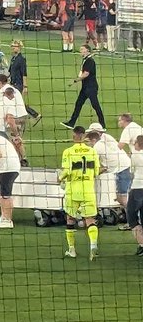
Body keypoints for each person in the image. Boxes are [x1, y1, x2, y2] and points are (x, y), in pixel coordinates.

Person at [58, 126, 101, 260]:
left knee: (70, 218)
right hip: (88, 190)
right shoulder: (92, 151)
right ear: (84, 136)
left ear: (74, 135)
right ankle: (93, 245)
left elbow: (67, 170)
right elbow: (96, 171)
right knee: (90, 220)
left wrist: (59, 178)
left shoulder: (68, 152)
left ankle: (72, 250)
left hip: (73, 190)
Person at [86, 124, 132, 225]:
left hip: (122, 170)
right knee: (127, 196)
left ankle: (133, 222)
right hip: (127, 166)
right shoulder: (107, 137)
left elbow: (94, 166)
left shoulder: (97, 147)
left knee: (122, 198)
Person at [63, 45, 107, 130]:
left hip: (91, 88)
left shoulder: (89, 61)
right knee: (78, 104)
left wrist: (75, 80)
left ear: (87, 50)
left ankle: (103, 125)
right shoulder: (86, 60)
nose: (81, 51)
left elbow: (86, 74)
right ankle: (71, 123)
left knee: (95, 105)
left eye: (82, 49)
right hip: (85, 87)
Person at [7, 40, 40, 124]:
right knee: (15, 102)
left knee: (16, 102)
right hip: (12, 83)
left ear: (19, 48)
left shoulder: (21, 59)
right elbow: (10, 72)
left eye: (15, 46)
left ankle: (34, 115)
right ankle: (34, 115)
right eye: (12, 46)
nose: (13, 47)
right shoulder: (13, 58)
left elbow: (24, 73)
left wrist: (25, 86)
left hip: (19, 84)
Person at [127, 133, 143, 256]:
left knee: (132, 218)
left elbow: (131, 172)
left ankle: (142, 244)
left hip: (137, 189)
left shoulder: (135, 156)